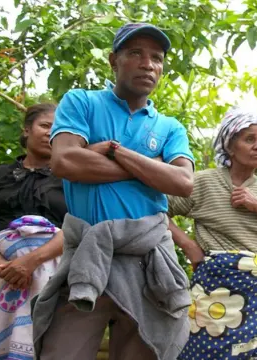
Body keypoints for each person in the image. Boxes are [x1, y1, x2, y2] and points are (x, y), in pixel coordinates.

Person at [31, 23, 194, 360]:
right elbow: (64, 162)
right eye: (135, 53)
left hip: (148, 262)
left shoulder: (169, 127)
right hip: (87, 257)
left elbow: (182, 184)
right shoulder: (82, 102)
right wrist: (152, 170)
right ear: (113, 61)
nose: (148, 64)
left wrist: (115, 151)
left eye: (156, 57)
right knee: (62, 354)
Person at [167, 107, 257, 359]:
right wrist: (189, 246)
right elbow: (157, 211)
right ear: (230, 146)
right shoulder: (202, 182)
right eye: (250, 139)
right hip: (213, 289)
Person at [0, 104, 66, 360]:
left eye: (57, 128)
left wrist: (32, 260)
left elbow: (80, 226)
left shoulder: (72, 177)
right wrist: (2, 266)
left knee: (50, 343)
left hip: (54, 274)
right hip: (1, 273)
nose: (49, 132)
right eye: (44, 125)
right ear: (26, 130)